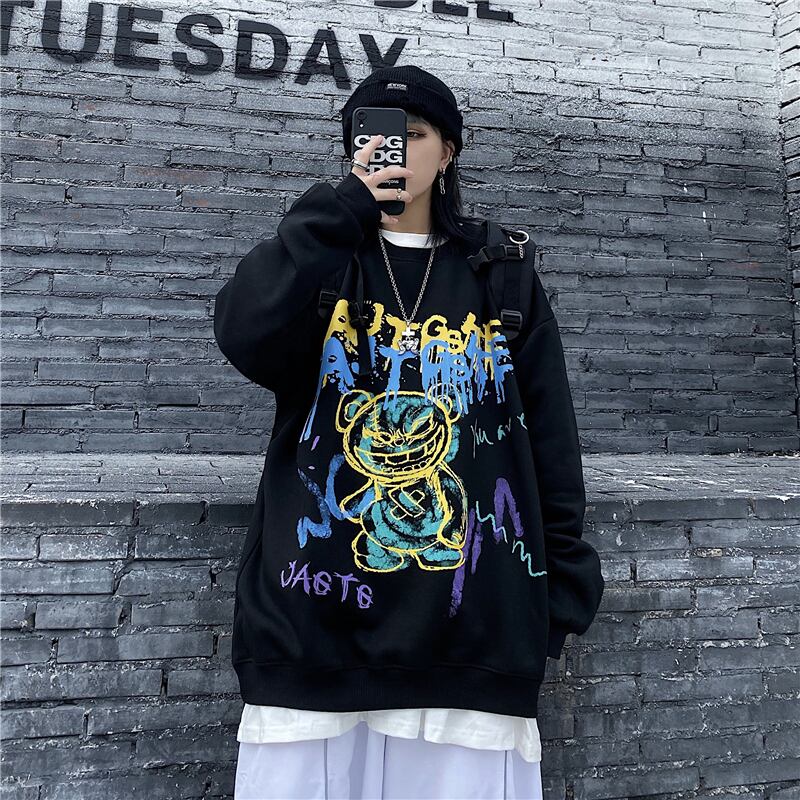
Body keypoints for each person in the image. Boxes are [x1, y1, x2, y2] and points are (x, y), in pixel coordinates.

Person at [213, 64, 605, 800]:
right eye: (370, 136)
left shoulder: (500, 270)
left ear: (448, 151)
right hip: (314, 628)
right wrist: (339, 209)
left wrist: (560, 594)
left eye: (413, 133)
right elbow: (242, 332)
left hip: (472, 636)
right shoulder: (320, 258)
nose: (390, 149)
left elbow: (550, 437)